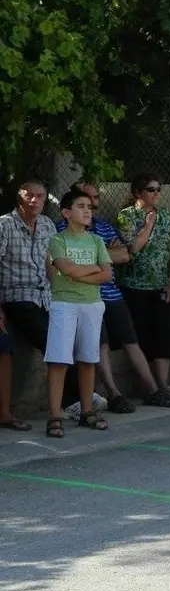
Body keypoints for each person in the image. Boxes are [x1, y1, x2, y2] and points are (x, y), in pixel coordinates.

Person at [59, 183, 170, 413]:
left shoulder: (103, 226)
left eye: (93, 200)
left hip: (112, 294)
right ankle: (114, 394)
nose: (90, 206)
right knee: (100, 344)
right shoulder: (61, 230)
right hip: (87, 295)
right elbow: (70, 264)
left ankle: (152, 390)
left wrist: (100, 258)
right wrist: (103, 258)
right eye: (84, 202)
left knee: (131, 341)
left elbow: (124, 255)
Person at [0, 179, 85, 421]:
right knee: (53, 341)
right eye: (29, 196)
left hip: (47, 296)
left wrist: (64, 292)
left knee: (72, 337)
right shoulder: (4, 226)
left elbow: (50, 262)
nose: (34, 200)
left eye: (39, 196)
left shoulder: (47, 224)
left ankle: (80, 399)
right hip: (17, 296)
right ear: (20, 197)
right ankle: (70, 403)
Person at [44, 189, 112, 438]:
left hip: (92, 304)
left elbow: (107, 275)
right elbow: (65, 268)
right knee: (59, 360)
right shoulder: (57, 240)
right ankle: (54, 415)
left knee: (87, 359)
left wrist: (79, 271)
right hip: (65, 304)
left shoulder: (96, 241)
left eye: (89, 207)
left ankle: (87, 411)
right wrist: (91, 268)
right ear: (66, 212)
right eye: (81, 206)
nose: (87, 210)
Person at [115, 173, 170, 400]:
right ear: (138, 193)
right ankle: (149, 387)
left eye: (158, 189)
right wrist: (147, 225)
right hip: (135, 287)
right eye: (151, 189)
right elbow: (132, 249)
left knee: (164, 336)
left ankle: (163, 385)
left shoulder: (167, 216)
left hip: (162, 287)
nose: (156, 193)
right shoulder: (126, 217)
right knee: (141, 337)